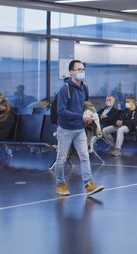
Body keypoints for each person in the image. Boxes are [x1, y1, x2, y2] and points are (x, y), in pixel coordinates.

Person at [54, 59, 104, 197]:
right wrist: (80, 116)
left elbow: (85, 104)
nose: (82, 72)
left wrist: (88, 115)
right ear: (71, 72)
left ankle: (89, 184)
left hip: (79, 128)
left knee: (85, 156)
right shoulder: (64, 89)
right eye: (79, 69)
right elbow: (61, 111)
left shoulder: (84, 87)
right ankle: (60, 184)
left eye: (83, 69)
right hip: (65, 129)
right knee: (61, 158)